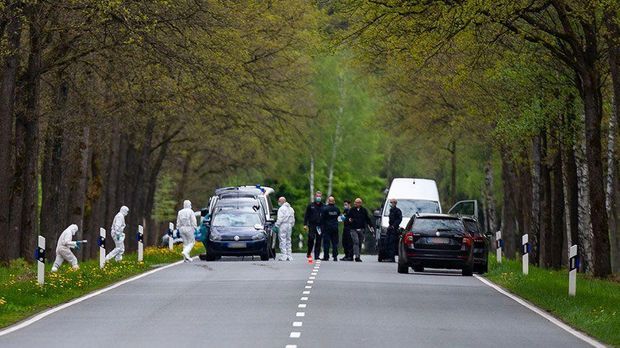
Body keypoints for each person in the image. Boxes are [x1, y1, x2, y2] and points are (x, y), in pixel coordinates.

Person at [348, 198, 374, 262]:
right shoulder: (352, 210)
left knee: (359, 243)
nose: (355, 203)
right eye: (355, 202)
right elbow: (348, 218)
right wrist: (349, 220)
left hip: (361, 229)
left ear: (360, 203)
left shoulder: (364, 210)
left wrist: (371, 226)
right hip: (353, 229)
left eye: (356, 202)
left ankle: (358, 256)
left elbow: (367, 219)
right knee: (356, 242)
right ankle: (356, 256)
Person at [304, 191, 323, 263]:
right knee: (311, 238)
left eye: (319, 196)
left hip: (320, 226)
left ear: (321, 197)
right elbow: (306, 215)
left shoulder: (323, 206)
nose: (318, 197)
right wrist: (305, 224)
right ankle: (309, 252)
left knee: (319, 240)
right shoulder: (311, 205)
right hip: (312, 225)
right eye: (317, 196)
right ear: (315, 196)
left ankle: (317, 255)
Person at [274, 196, 295, 261]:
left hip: (283, 225)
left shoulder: (281, 209)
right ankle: (289, 255)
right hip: (289, 225)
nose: (278, 202)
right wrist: (291, 225)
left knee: (282, 240)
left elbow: (280, 218)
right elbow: (293, 218)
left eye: (279, 201)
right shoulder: (291, 209)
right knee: (288, 240)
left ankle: (284, 255)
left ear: (281, 201)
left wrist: (276, 225)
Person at [321, 196, 341, 261]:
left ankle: (326, 257)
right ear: (334, 201)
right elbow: (339, 217)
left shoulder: (325, 209)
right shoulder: (337, 209)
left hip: (327, 228)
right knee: (335, 243)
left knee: (326, 243)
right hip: (335, 227)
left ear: (328, 201)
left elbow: (322, 219)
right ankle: (335, 257)